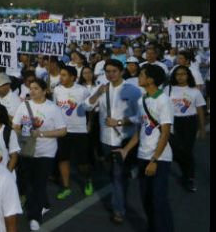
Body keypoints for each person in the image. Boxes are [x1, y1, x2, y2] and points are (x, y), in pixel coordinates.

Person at [116, 64, 174, 232]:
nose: (138, 78)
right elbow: (141, 129)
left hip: (159, 158)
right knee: (146, 200)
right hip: (143, 156)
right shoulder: (143, 100)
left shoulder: (163, 100)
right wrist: (126, 149)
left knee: (158, 201)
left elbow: (165, 133)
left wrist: (154, 160)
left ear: (150, 79)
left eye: (141, 75)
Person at [85, 59, 142, 224]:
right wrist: (97, 94)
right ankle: (124, 182)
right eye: (107, 71)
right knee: (113, 173)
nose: (110, 74)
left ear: (121, 71)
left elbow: (140, 117)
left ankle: (118, 209)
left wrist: (119, 122)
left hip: (123, 139)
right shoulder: (102, 88)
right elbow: (87, 106)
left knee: (118, 175)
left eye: (114, 71)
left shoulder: (133, 91)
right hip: (105, 140)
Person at [13, 79, 68, 231]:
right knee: (30, 183)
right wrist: (23, 132)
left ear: (45, 91)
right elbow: (16, 125)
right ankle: (44, 205)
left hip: (46, 152)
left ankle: (34, 217)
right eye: (31, 88)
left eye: (36, 88)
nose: (32, 91)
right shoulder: (23, 106)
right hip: (27, 150)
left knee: (38, 184)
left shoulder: (53, 108)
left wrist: (42, 133)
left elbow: (62, 130)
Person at [52, 65, 93, 199]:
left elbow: (90, 108)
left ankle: (87, 180)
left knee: (82, 163)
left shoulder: (83, 91)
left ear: (73, 77)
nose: (61, 77)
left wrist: (89, 124)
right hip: (62, 131)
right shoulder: (57, 90)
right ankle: (65, 187)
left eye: (64, 75)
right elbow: (54, 108)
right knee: (63, 159)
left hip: (79, 130)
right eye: (61, 75)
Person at [165, 64, 206, 192]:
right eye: (178, 74)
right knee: (176, 151)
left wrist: (202, 128)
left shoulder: (194, 91)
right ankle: (185, 171)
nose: (180, 77)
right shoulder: (168, 89)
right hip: (172, 122)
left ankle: (189, 178)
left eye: (183, 74)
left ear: (188, 76)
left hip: (189, 123)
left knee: (187, 150)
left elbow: (200, 111)